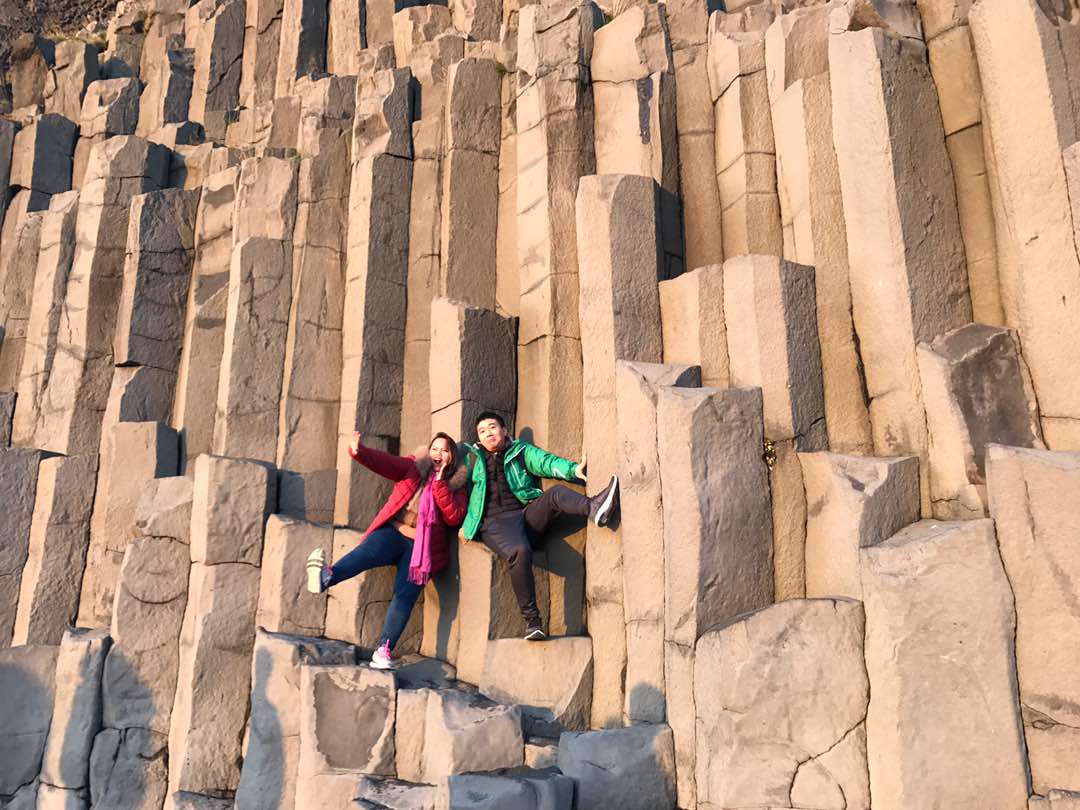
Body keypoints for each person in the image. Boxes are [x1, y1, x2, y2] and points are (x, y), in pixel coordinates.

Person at [306, 431, 468, 669]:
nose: (438, 453)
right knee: (364, 554)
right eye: (435, 448)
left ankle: (383, 650)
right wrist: (359, 451)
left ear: (451, 457)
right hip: (394, 533)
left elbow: (454, 517)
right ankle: (326, 576)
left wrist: (441, 484)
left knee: (404, 596)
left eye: (445, 450)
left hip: (422, 550)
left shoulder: (457, 486)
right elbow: (386, 463)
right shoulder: (414, 467)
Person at [462, 411, 619, 641]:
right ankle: (532, 622)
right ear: (478, 439)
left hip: (522, 516)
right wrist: (465, 526)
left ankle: (595, 509)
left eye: (492, 427)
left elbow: (545, 461)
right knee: (520, 551)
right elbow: (463, 494)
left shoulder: (520, 451)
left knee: (554, 494)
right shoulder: (474, 460)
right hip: (493, 524)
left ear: (504, 430)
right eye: (482, 431)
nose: (488, 433)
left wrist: (573, 470)